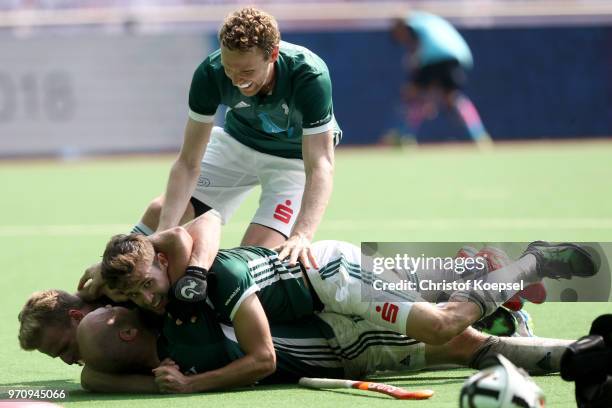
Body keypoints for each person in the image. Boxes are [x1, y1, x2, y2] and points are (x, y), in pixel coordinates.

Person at [98, 225, 598, 347]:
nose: (149, 299)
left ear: (162, 260)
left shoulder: (185, 258)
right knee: (417, 299)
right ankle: (478, 273)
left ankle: (533, 262)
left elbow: (199, 223)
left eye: (147, 284)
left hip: (331, 276)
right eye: (134, 298)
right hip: (326, 284)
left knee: (440, 326)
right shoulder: (151, 284)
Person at [143, 6, 340, 285]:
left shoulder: (309, 74)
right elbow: (188, 162)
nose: (237, 80)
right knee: (158, 213)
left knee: (250, 263)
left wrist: (302, 234)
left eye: (247, 70)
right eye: (229, 68)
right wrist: (163, 233)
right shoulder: (210, 73)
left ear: (273, 55)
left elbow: (321, 163)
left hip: (292, 161)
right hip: (236, 143)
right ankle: (114, 284)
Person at [76, 304, 573, 393]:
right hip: (341, 345)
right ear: (124, 333)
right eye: (105, 309)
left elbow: (91, 377)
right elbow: (89, 379)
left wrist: (183, 385)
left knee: (457, 340)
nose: (106, 304)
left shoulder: (175, 333)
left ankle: (507, 279)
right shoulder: (171, 351)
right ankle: (506, 309)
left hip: (336, 329)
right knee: (458, 345)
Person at [390, 11, 491, 146]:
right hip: (456, 57)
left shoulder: (411, 25)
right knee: (452, 99)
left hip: (435, 59)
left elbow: (415, 54)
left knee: (412, 94)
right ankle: (480, 136)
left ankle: (403, 135)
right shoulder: (427, 20)